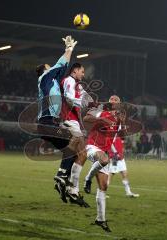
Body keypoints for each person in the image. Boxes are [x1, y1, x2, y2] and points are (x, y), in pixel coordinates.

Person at [36, 35, 78, 202]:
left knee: (71, 150)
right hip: (47, 123)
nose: (51, 68)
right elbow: (60, 65)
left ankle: (61, 180)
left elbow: (61, 68)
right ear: (45, 70)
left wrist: (69, 52)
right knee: (74, 139)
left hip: (49, 123)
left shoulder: (51, 81)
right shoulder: (44, 78)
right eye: (49, 67)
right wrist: (68, 49)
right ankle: (62, 176)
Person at [54, 62, 93, 206]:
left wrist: (96, 105)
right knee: (82, 154)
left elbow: (86, 98)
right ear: (75, 71)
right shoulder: (69, 81)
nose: (83, 74)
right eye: (82, 71)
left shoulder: (78, 85)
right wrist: (83, 103)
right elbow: (70, 99)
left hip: (74, 121)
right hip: (68, 119)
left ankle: (67, 185)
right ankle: (67, 181)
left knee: (78, 155)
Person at [83, 97, 123, 232]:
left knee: (103, 186)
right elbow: (86, 118)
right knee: (105, 160)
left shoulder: (118, 119)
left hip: (104, 151)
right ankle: (87, 179)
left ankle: (100, 219)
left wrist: (122, 123)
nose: (113, 101)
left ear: (118, 104)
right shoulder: (102, 112)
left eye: (116, 100)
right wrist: (101, 119)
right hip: (92, 147)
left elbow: (122, 136)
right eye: (111, 100)